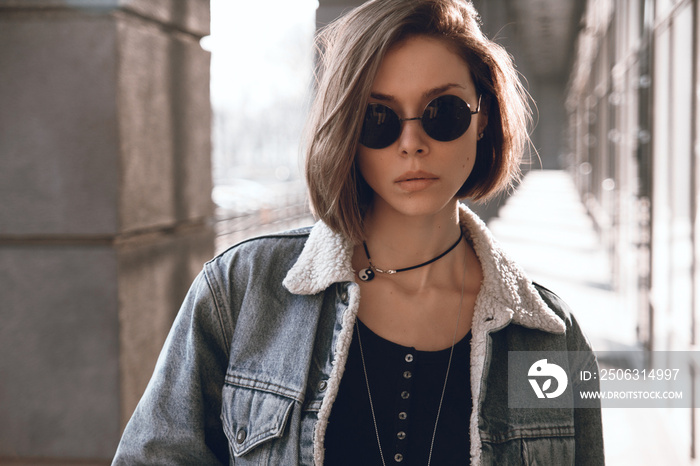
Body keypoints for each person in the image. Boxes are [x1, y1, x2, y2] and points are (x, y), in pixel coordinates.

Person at [112, 0, 604, 464]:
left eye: (443, 113)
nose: (412, 143)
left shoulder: (548, 340)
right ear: (348, 129)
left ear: (483, 119)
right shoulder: (241, 291)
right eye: (378, 118)